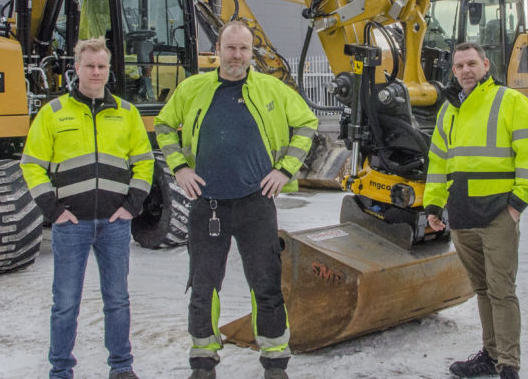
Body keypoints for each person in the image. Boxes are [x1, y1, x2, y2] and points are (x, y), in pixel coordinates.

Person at [154, 21, 318, 379]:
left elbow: (307, 123)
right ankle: (203, 361)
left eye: (244, 48)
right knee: (203, 286)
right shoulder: (193, 88)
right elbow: (164, 126)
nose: (237, 55)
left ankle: (275, 362)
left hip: (255, 203)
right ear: (218, 50)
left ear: (251, 51)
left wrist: (285, 170)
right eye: (231, 48)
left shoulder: (271, 88)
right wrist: (180, 168)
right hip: (207, 205)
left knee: (266, 284)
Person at [20, 37, 153, 379]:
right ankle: (60, 370)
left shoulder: (127, 113)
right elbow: (32, 164)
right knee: (65, 304)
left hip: (114, 224)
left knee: (117, 300)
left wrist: (132, 205)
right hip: (71, 225)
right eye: (90, 66)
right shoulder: (53, 113)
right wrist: (53, 211)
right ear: (76, 68)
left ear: (109, 70)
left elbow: (144, 161)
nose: (96, 72)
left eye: (102, 66)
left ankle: (121, 367)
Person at [424, 41, 528, 379]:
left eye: (472, 64)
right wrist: (434, 203)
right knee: (482, 289)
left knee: (501, 290)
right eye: (460, 66)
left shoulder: (510, 101)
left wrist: (517, 204)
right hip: (462, 215)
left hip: (497, 215)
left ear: (486, 65)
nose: (466, 71)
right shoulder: (449, 110)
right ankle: (490, 356)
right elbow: (438, 161)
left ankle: (509, 365)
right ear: (453, 71)